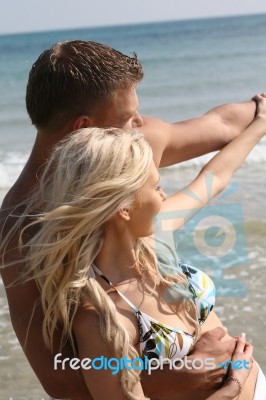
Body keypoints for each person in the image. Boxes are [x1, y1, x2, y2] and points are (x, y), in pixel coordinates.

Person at [0, 39, 261, 399]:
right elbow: (59, 377)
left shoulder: (136, 141)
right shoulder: (21, 229)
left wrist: (258, 112)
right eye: (128, 117)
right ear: (83, 128)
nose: (140, 124)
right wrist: (177, 380)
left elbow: (220, 126)